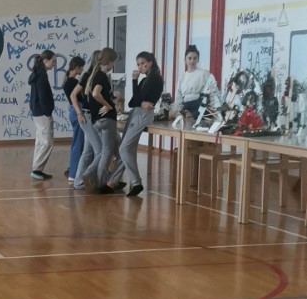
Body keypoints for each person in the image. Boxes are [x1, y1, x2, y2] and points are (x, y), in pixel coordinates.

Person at [106, 52, 164, 198]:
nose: (141, 67)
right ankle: (113, 181)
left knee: (124, 148)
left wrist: (138, 95)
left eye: (143, 63)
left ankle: (136, 182)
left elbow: (137, 99)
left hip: (143, 114)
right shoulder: (145, 79)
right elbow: (134, 101)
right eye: (138, 64)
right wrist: (135, 82)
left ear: (150, 62)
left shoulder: (155, 78)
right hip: (136, 111)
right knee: (126, 148)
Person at [73, 48, 120, 194]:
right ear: (109, 61)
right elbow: (94, 94)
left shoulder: (94, 75)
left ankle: (85, 179)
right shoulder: (97, 75)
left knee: (92, 150)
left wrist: (110, 100)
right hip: (95, 117)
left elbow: (95, 94)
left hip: (94, 118)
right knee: (103, 151)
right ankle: (96, 180)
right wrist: (108, 105)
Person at [28, 50, 57, 180]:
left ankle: (37, 168)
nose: (54, 64)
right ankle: (37, 169)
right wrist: (47, 111)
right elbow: (43, 95)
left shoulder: (37, 73)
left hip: (37, 111)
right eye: (53, 61)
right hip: (42, 112)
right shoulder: (42, 75)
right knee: (47, 142)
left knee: (40, 141)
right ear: (46, 61)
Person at [176, 45, 219, 118]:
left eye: (195, 58)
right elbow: (178, 97)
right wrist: (181, 111)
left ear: (198, 60)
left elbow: (213, 90)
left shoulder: (204, 73)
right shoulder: (182, 77)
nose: (192, 61)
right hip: (186, 108)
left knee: (196, 118)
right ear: (185, 59)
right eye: (189, 58)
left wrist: (214, 108)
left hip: (199, 106)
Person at [62, 56, 86, 182]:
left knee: (79, 142)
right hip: (77, 111)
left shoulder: (68, 80)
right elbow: (77, 98)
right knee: (78, 143)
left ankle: (75, 170)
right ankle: (74, 173)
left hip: (73, 111)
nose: (82, 70)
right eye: (81, 68)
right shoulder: (73, 82)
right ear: (77, 67)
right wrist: (79, 112)